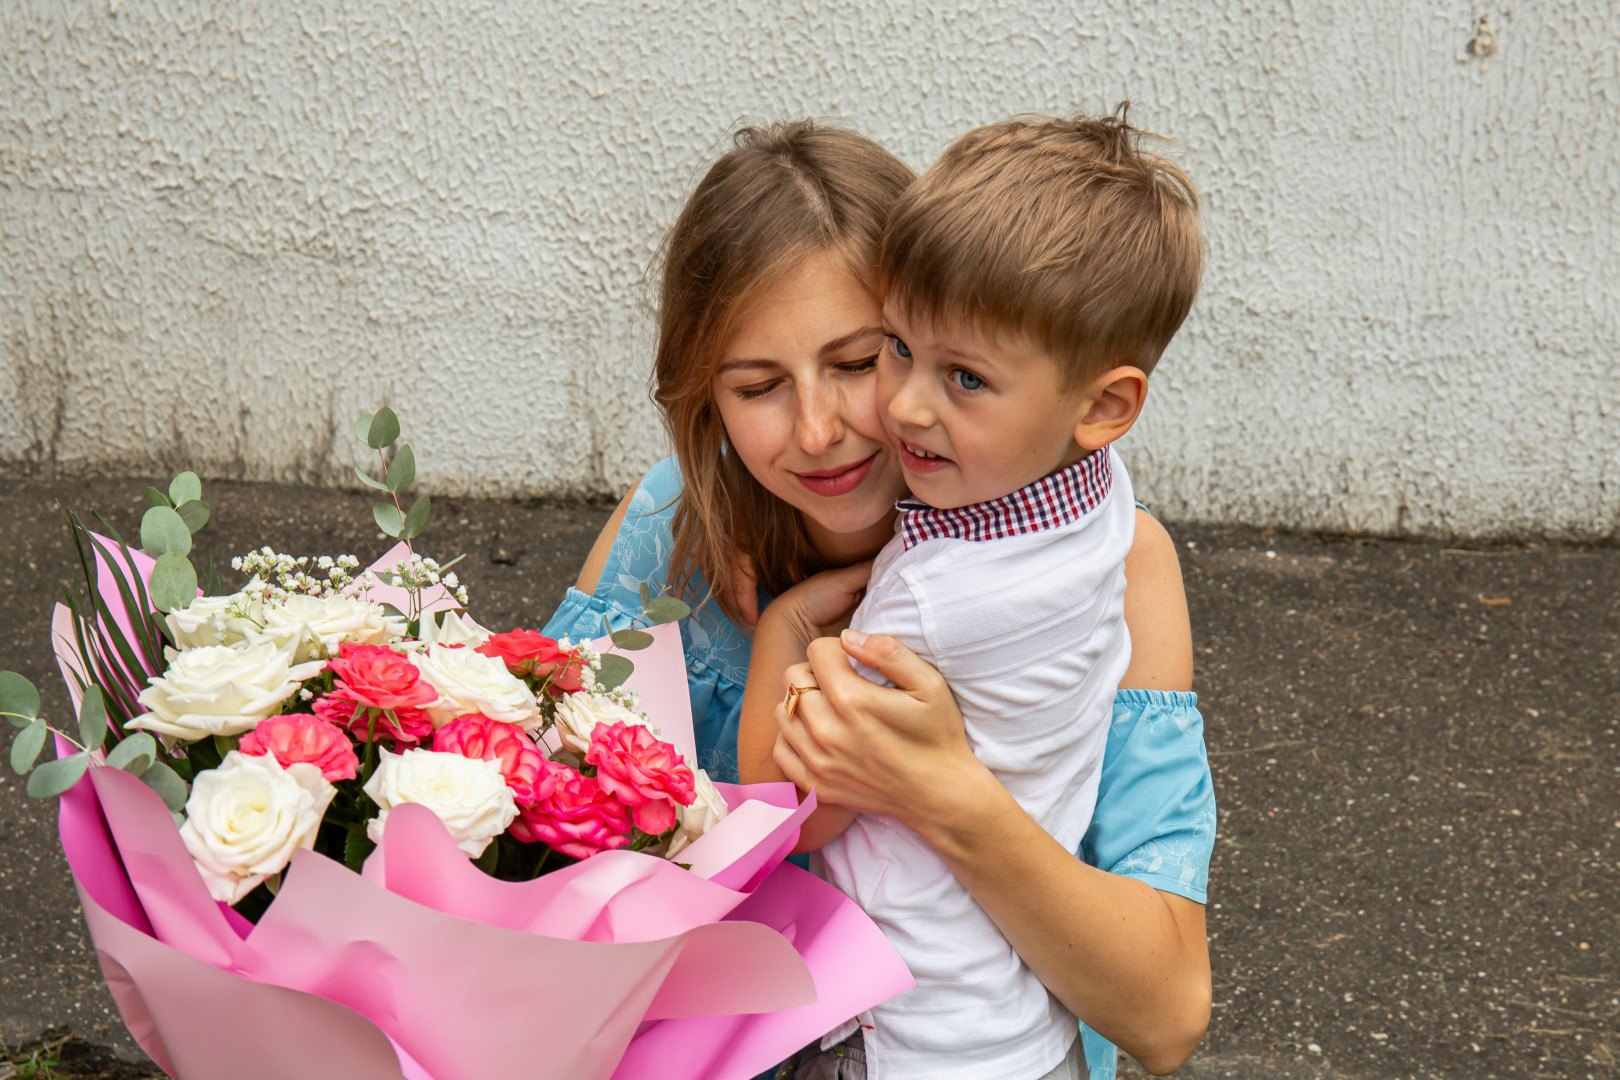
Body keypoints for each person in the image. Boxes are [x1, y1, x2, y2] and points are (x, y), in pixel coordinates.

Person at [544, 120, 1213, 1080]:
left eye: (861, 361)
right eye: (759, 384)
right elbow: (540, 854)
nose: (819, 430)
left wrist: (949, 796)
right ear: (705, 398)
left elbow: (1166, 1015)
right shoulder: (667, 536)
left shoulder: (1110, 565)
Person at [737, 111, 1202, 1080]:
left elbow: (778, 804)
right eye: (900, 351)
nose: (900, 408)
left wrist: (783, 631)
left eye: (860, 358)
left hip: (910, 1038)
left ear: (1105, 407)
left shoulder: (934, 604)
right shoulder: (1095, 506)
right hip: (1014, 1038)